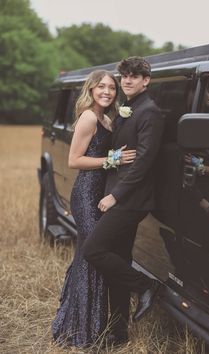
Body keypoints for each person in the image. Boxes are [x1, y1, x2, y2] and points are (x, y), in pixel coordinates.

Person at [51, 70, 136, 348]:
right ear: (91, 89)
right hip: (86, 194)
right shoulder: (89, 116)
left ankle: (89, 325)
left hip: (100, 193)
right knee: (92, 255)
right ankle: (80, 331)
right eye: (102, 87)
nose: (107, 92)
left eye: (112, 88)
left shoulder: (107, 118)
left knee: (92, 257)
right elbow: (75, 160)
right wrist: (111, 159)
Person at [83, 57, 164, 346]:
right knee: (119, 259)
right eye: (125, 76)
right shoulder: (127, 110)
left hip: (132, 199)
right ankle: (117, 334)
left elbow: (143, 163)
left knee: (92, 249)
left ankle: (146, 286)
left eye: (135, 76)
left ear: (146, 81)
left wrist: (115, 195)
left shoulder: (150, 112)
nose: (128, 80)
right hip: (119, 192)